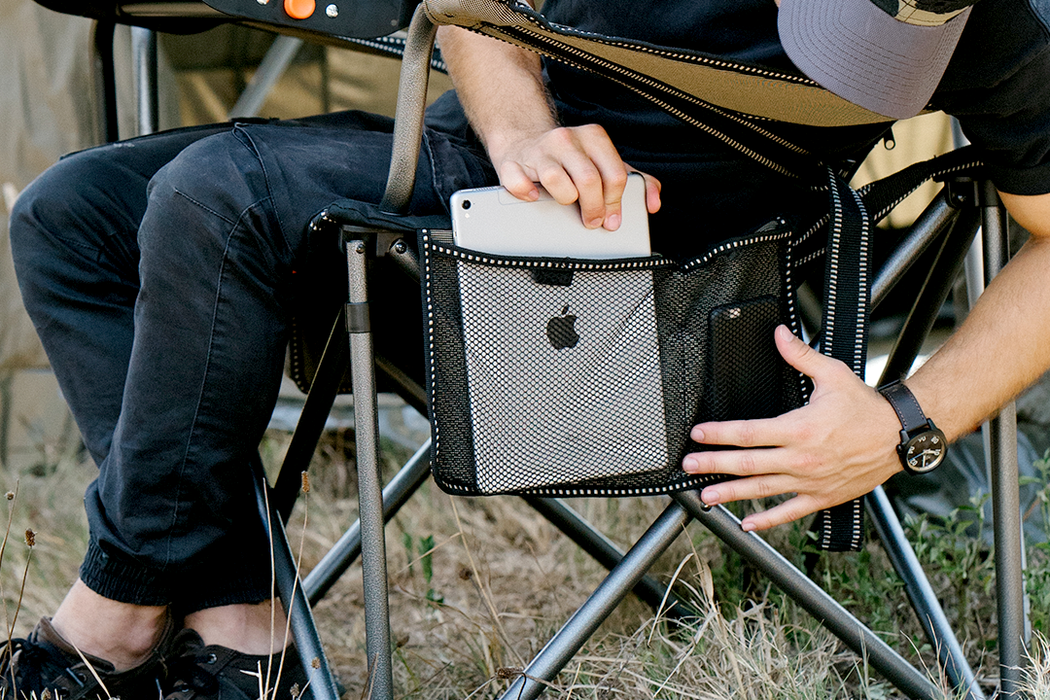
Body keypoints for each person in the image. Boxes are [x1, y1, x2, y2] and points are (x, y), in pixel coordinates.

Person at [7, 0, 1050, 696]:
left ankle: (116, 613)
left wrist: (909, 420)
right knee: (70, 218)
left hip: (672, 329)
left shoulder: (993, 18)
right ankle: (237, 626)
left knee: (214, 197)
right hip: (479, 237)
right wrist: (520, 132)